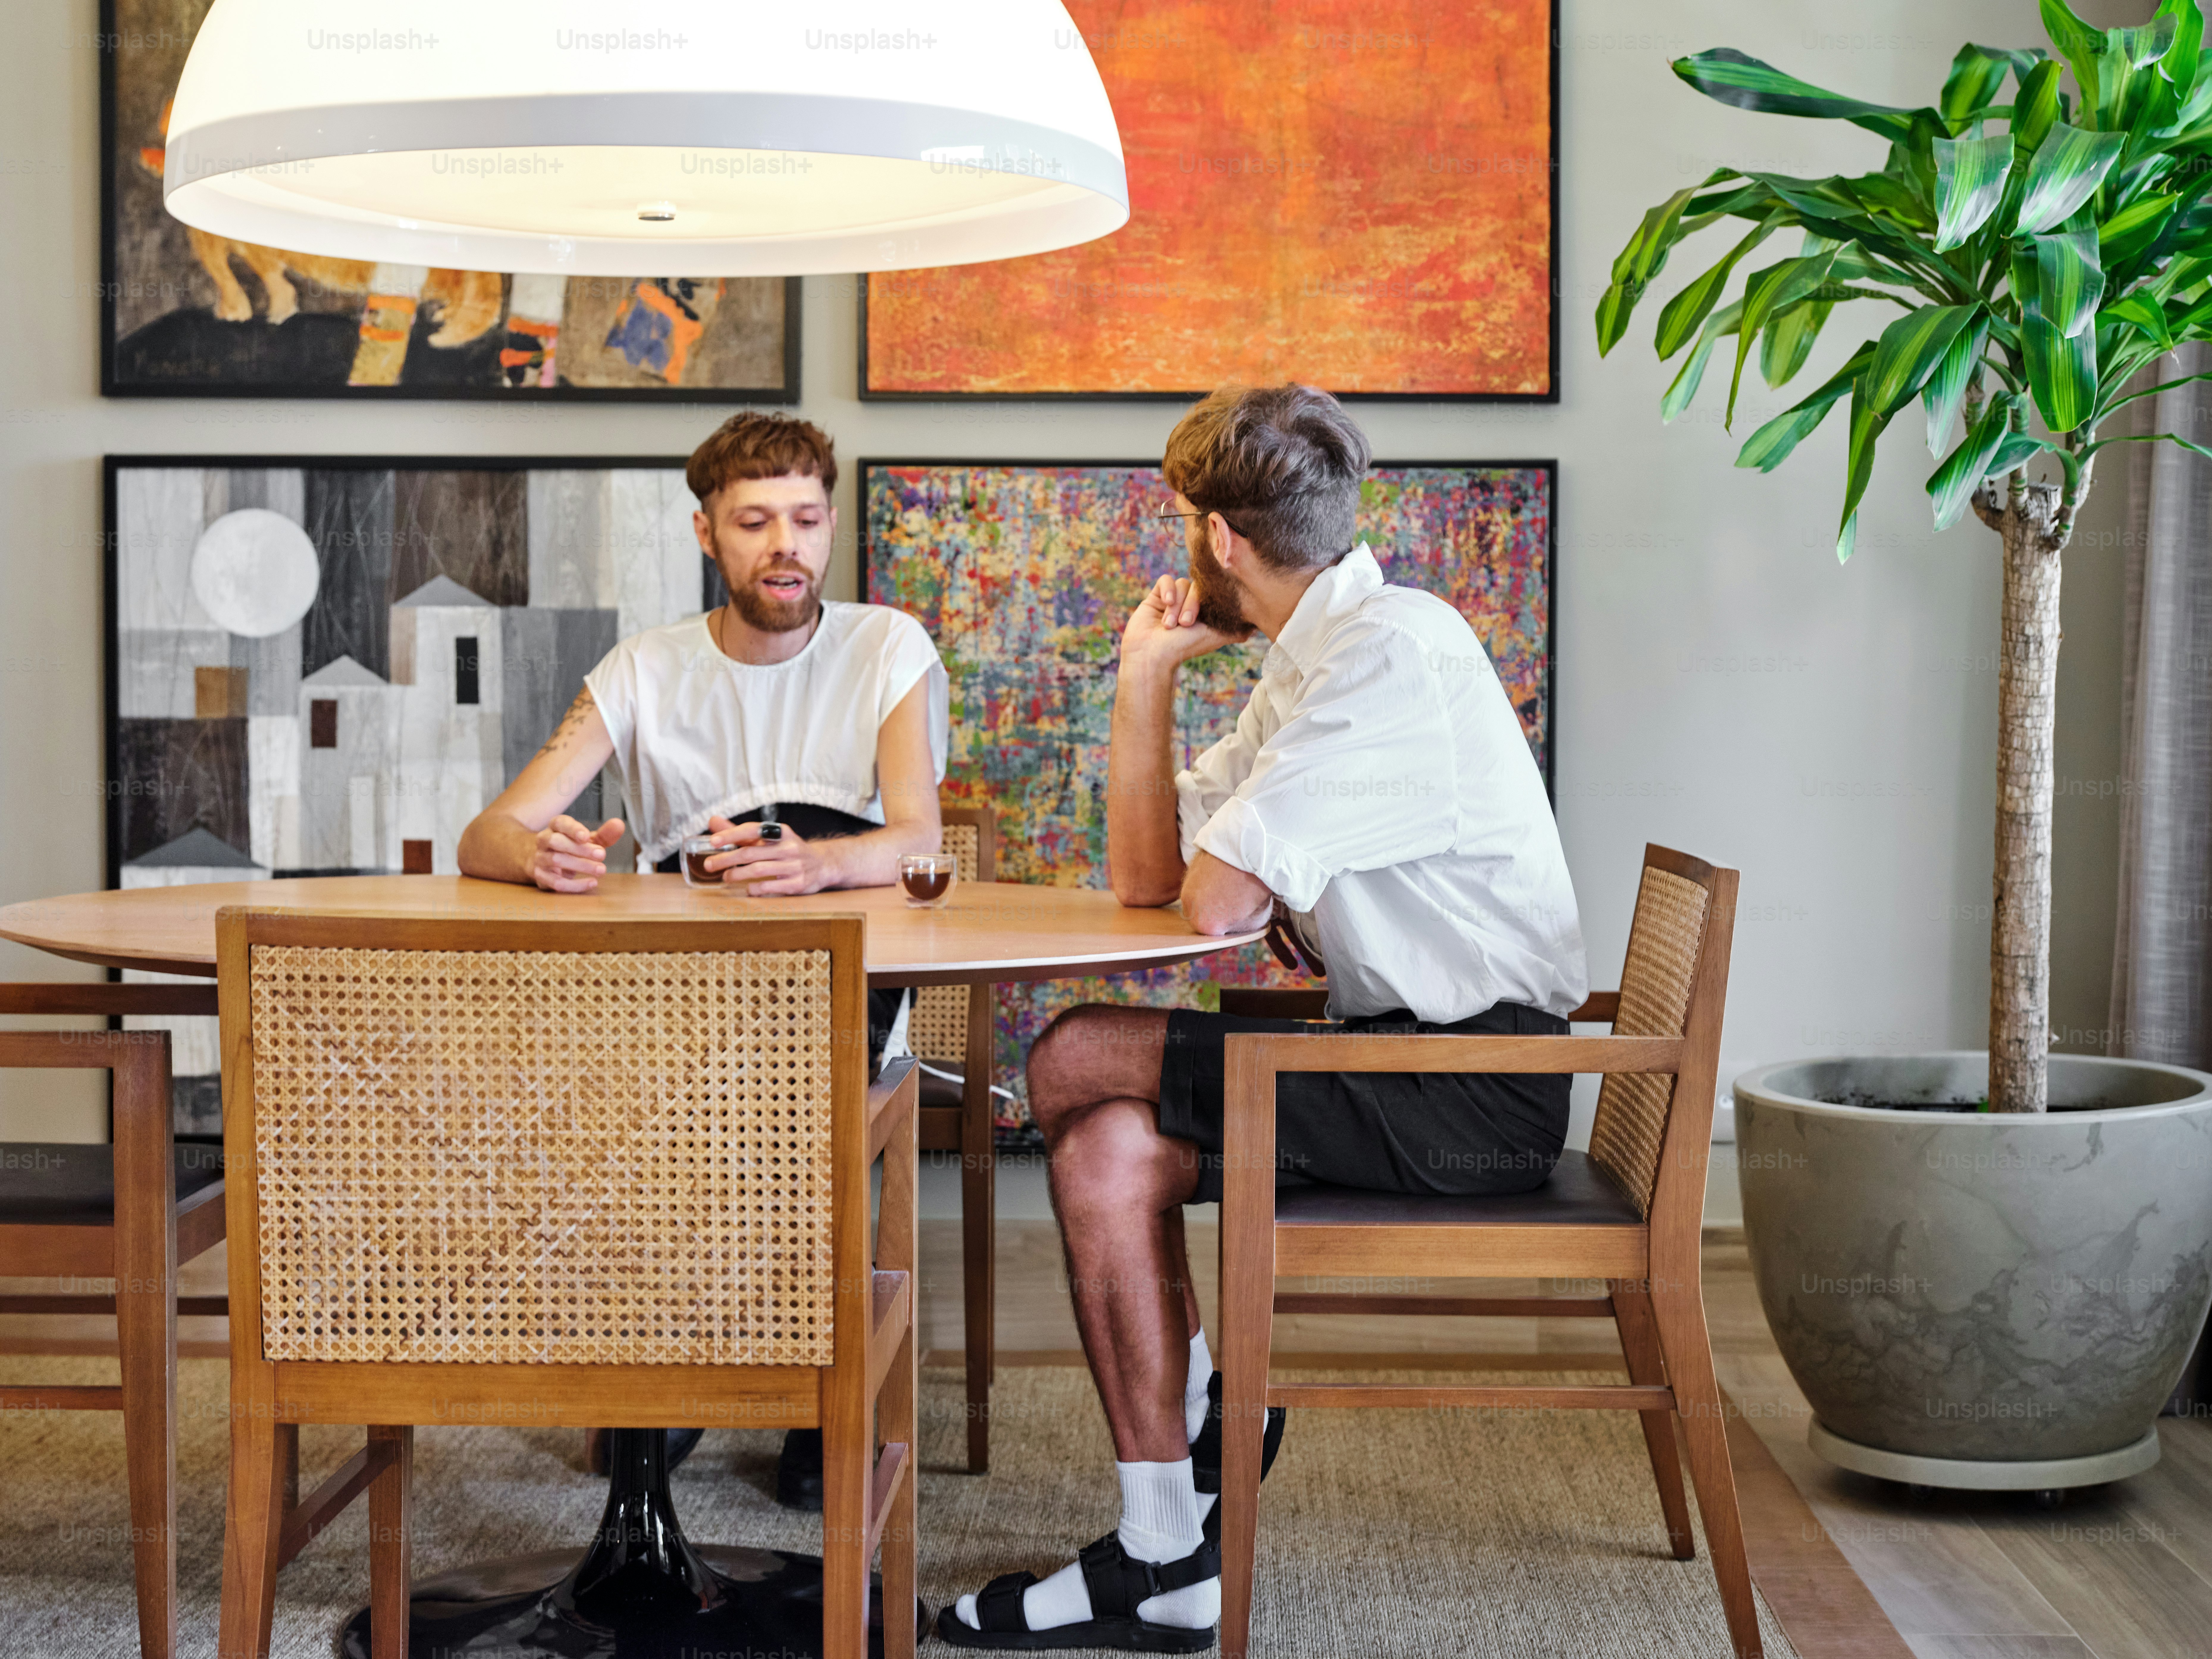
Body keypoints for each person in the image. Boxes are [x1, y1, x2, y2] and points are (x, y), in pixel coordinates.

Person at [939, 385, 1587, 1650]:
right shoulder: (1317, 655)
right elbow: (1146, 878)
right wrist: (1141, 674)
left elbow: (1217, 891)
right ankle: (1163, 1548)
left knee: (1072, 1051)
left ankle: (1196, 1421)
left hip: (1473, 1088)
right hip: (1393, 1065)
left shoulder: (1389, 653)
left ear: (1216, 539)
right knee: (1101, 1145)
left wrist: (1221, 866)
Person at [458, 410, 947, 1503]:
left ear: (829, 527)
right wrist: (543, 857)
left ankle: (823, 1389)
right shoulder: (643, 668)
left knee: (798, 1106)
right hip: (673, 987)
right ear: (706, 534)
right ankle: (673, 1367)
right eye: (756, 520)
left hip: (843, 978)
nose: (788, 544)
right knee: (652, 1101)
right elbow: (485, 834)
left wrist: (819, 868)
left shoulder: (886, 646)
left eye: (808, 519)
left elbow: (920, 836)